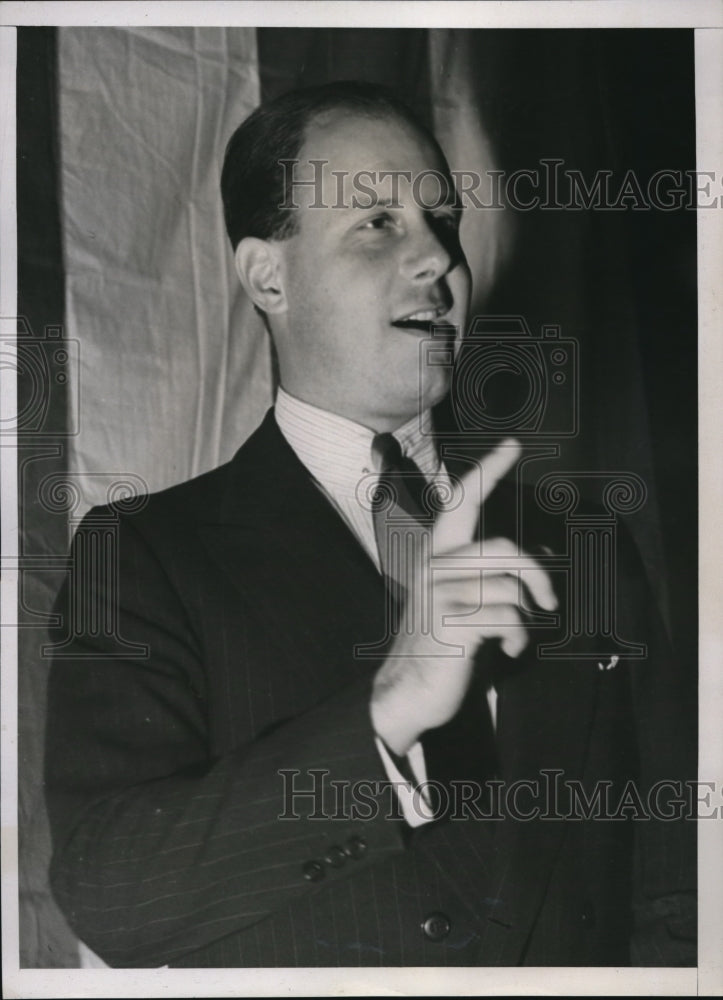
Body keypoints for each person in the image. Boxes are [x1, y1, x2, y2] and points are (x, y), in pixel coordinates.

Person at [44, 81, 695, 969]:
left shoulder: (579, 540)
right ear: (267, 276)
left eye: (443, 221)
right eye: (378, 223)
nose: (436, 259)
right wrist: (384, 714)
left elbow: (681, 889)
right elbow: (112, 897)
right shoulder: (143, 554)